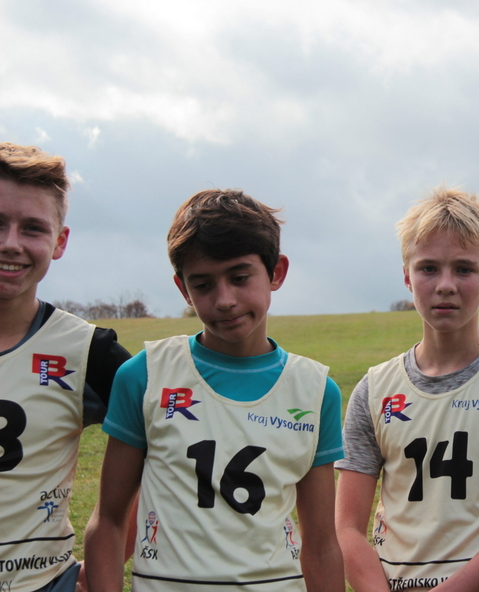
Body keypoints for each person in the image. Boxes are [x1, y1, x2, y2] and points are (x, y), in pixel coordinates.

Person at [84, 189, 345, 591]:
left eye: (240, 278)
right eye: (203, 284)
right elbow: (109, 521)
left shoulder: (315, 391)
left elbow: (322, 545)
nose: (224, 300)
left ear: (276, 272)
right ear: (183, 289)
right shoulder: (145, 375)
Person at [335, 186, 479, 592]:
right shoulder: (374, 389)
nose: (445, 285)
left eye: (463, 269)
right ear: (407, 277)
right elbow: (347, 528)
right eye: (428, 268)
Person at [0, 142, 132, 592]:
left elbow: (168, 448)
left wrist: (104, 561)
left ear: (59, 242)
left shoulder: (88, 351)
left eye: (33, 228)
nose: (10, 243)